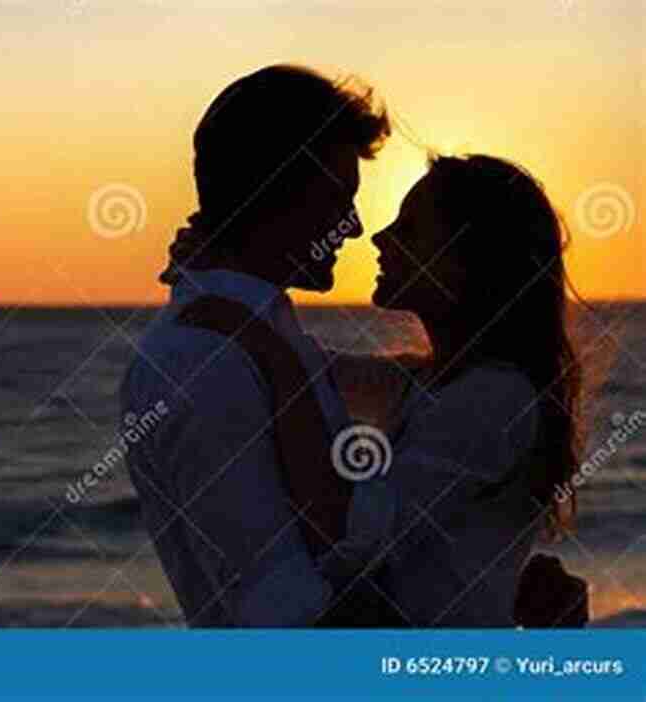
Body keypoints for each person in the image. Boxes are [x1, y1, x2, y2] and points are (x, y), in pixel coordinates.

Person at [121, 63, 392, 625]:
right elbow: (276, 602)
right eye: (340, 196)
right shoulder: (202, 357)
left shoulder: (262, 335)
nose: (357, 227)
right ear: (280, 192)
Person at [318, 154, 587, 626]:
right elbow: (305, 367)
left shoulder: (493, 398)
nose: (380, 239)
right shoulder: (428, 382)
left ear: (468, 263)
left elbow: (368, 532)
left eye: (409, 230)